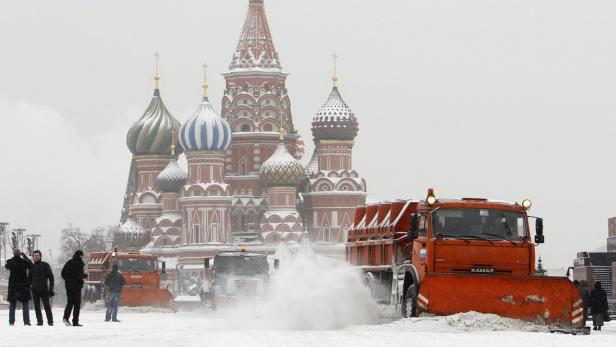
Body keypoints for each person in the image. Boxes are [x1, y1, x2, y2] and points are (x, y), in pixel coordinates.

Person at [4, 248, 33, 326]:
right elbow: (31, 265)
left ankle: (11, 321)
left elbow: (6, 266)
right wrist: (25, 256)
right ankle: (26, 322)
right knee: (25, 304)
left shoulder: (11, 261)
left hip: (13, 286)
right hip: (23, 285)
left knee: (12, 304)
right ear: (20, 254)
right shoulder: (24, 261)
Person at [61, 250, 88, 327]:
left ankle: (65, 318)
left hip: (69, 286)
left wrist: (68, 281)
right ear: (80, 256)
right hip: (76, 286)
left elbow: (63, 274)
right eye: (82, 256)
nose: (82, 257)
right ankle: (75, 321)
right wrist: (84, 276)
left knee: (70, 302)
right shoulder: (79, 264)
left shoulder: (69, 262)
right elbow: (78, 275)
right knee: (77, 304)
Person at [29, 250, 55, 326]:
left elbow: (51, 277)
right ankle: (39, 322)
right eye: (34, 256)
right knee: (37, 307)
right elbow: (29, 278)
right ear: (33, 257)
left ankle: (50, 322)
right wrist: (30, 286)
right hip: (35, 290)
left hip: (44, 289)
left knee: (47, 306)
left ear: (40, 256)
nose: (36, 257)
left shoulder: (45, 265)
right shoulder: (32, 267)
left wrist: (51, 288)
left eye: (37, 255)